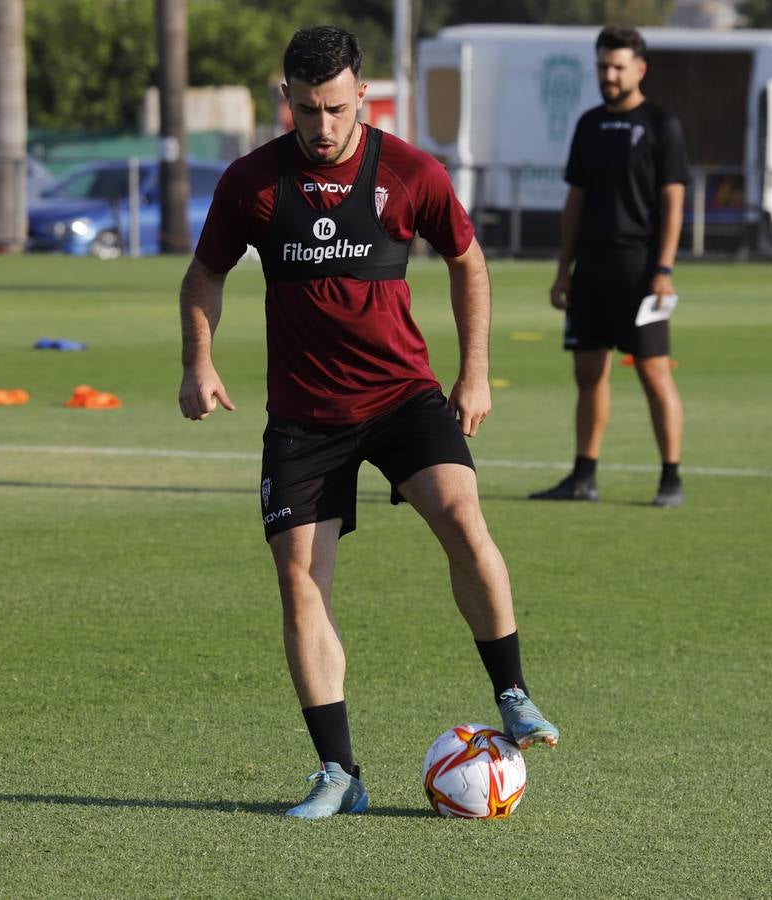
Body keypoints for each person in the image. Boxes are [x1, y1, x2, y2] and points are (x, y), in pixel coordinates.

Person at [178, 25, 560, 820]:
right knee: (299, 584)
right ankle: (338, 773)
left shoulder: (410, 171)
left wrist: (476, 372)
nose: (323, 128)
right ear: (286, 97)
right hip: (304, 420)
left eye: (339, 110)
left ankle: (514, 691)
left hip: (402, 398)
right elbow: (205, 273)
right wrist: (200, 362)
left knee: (462, 515)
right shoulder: (252, 183)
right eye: (308, 110)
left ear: (362, 95)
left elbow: (468, 261)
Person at [529, 25, 689, 508]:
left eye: (618, 66)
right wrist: (563, 269)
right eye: (602, 66)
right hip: (591, 270)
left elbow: (675, 202)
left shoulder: (662, 125)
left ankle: (671, 477)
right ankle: (584, 475)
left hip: (641, 270)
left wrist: (663, 269)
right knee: (587, 374)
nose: (609, 75)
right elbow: (574, 201)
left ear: (640, 69)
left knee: (654, 373)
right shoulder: (589, 124)